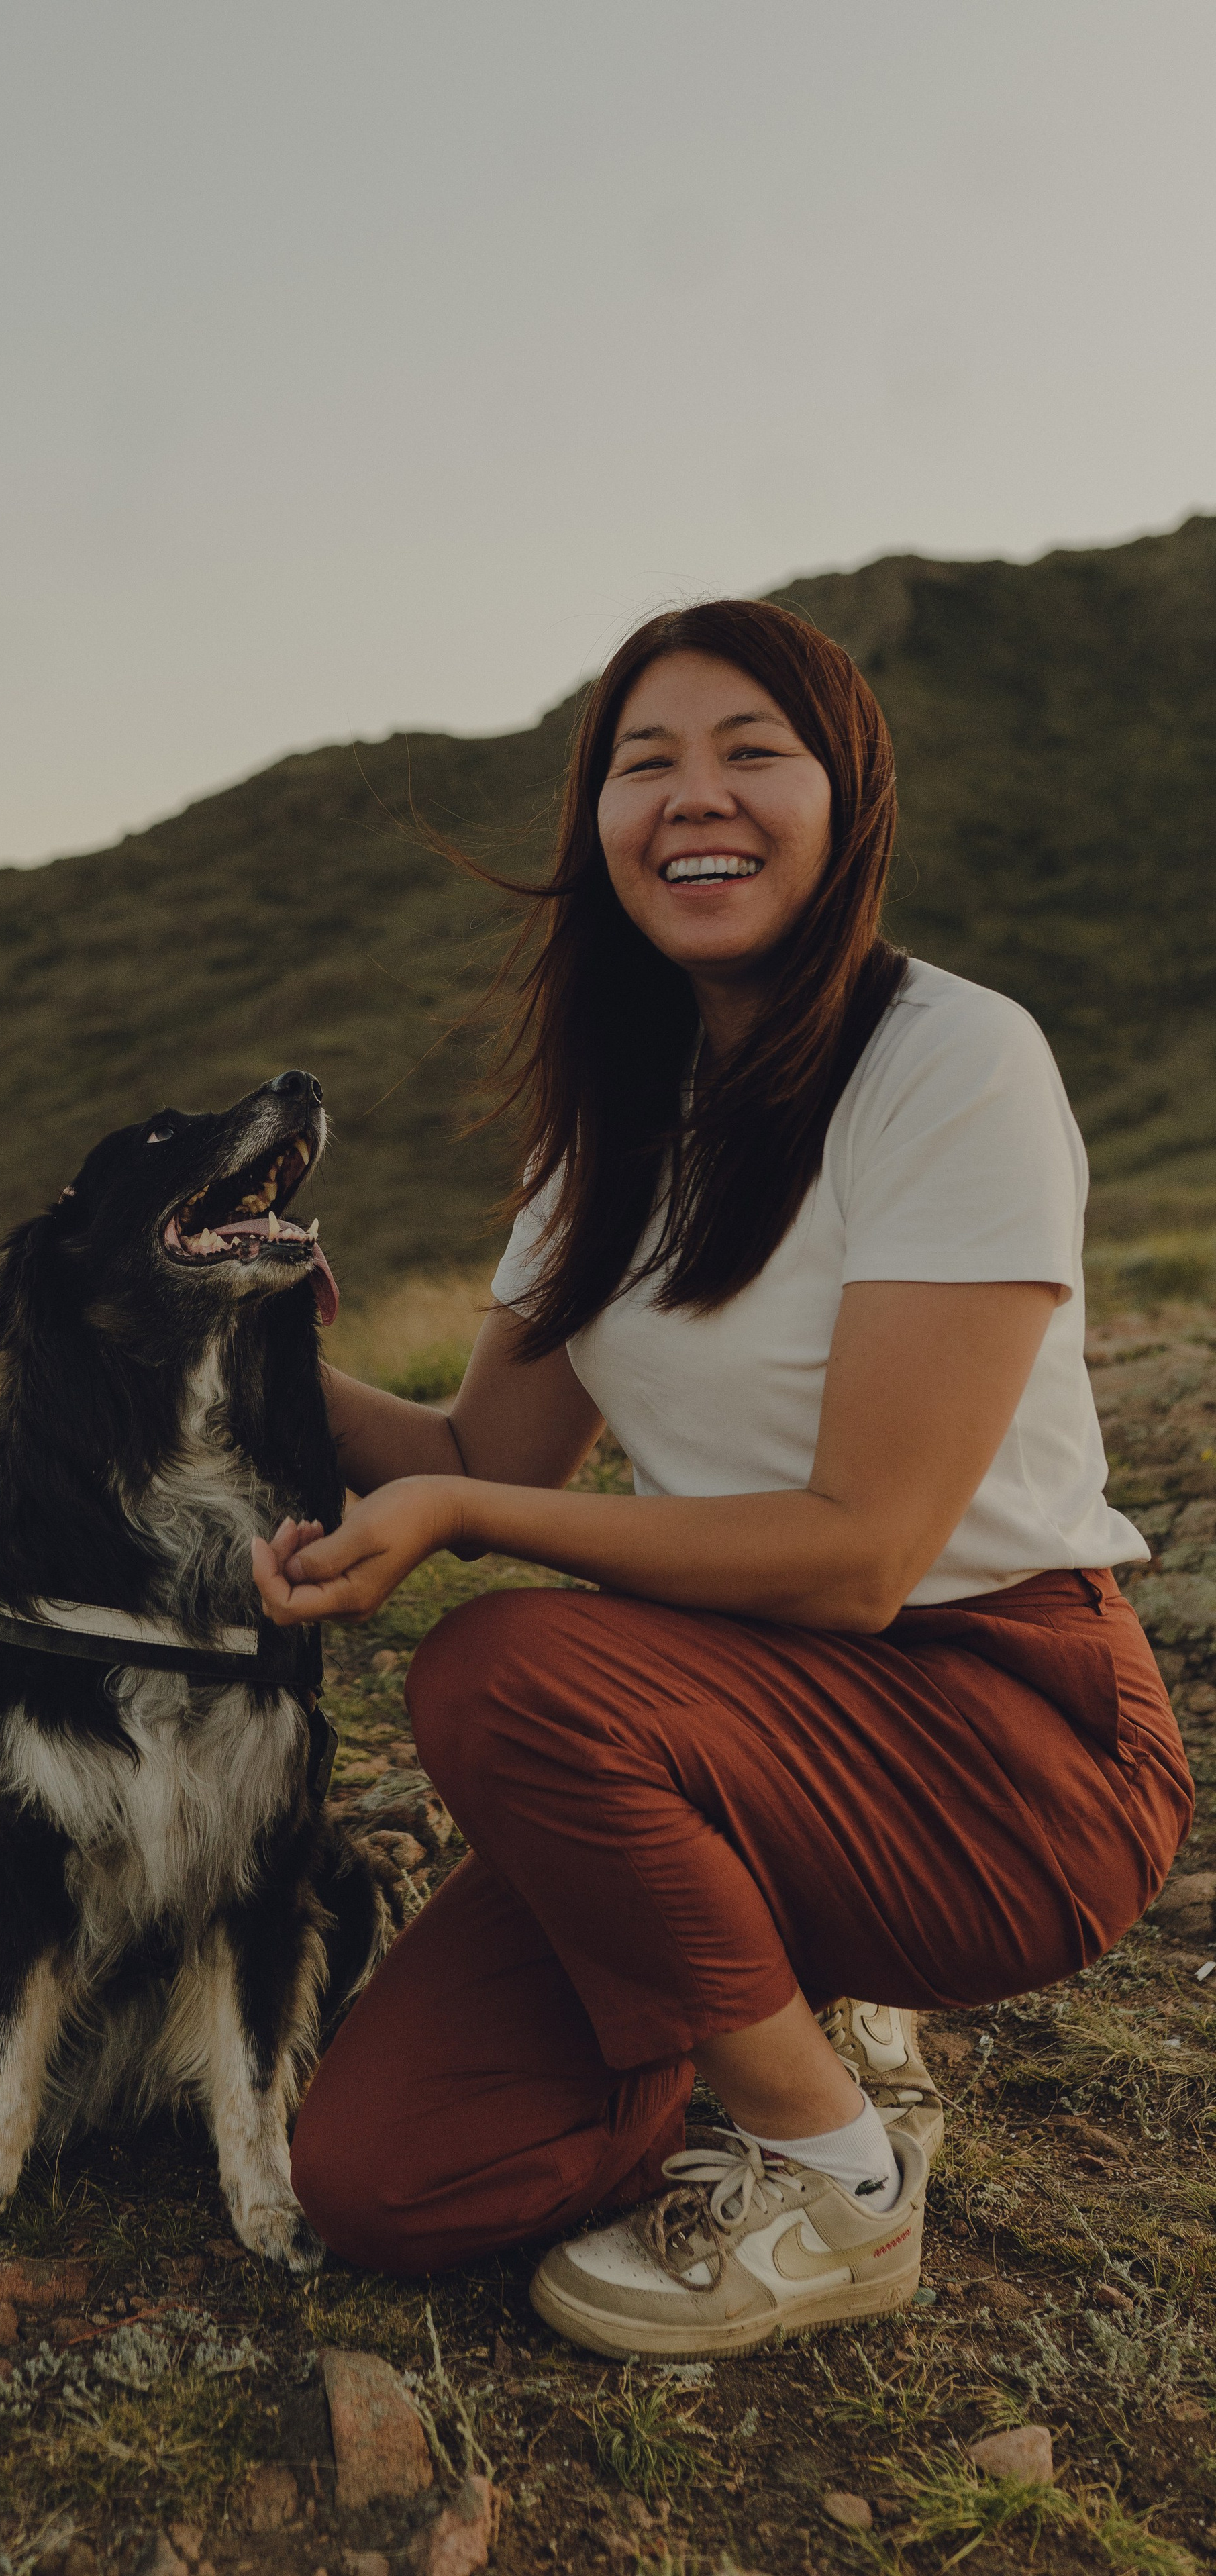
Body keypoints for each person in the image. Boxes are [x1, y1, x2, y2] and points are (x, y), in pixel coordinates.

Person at [250, 599, 1192, 2361]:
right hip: (746, 1728)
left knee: (505, 1669)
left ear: (846, 803)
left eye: (755, 753)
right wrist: (248, 1360)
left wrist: (460, 1527)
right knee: (388, 2181)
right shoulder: (608, 1125)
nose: (700, 798)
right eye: (646, 762)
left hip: (1015, 1750)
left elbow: (861, 1557)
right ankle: (775, 2002)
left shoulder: (950, 1062)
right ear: (599, 825)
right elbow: (478, 1453)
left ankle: (837, 2177)